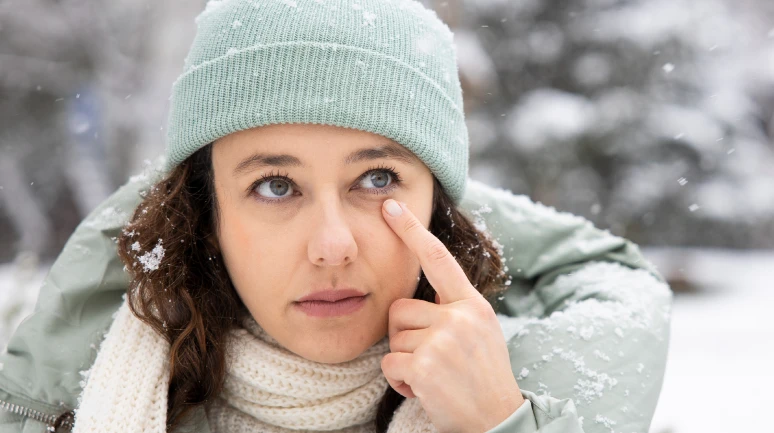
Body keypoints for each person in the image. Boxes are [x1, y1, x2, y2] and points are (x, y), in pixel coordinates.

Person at [0, 1, 673, 432]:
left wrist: (503, 424)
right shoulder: (71, 404)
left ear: (436, 202)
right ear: (204, 214)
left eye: (377, 178)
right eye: (274, 184)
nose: (331, 245)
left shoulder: (523, 392)